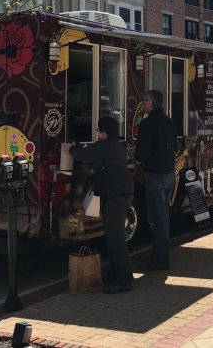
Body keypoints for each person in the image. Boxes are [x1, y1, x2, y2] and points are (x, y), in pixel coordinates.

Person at [65, 117, 134, 294]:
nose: (97, 134)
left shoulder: (106, 146)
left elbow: (85, 154)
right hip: (121, 193)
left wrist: (70, 149)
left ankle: (125, 280)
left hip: (116, 195)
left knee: (116, 238)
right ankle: (114, 273)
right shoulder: (116, 144)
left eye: (98, 131)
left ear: (104, 131)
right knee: (112, 236)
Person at [134, 90, 177, 271]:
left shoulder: (147, 124)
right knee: (163, 217)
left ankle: (160, 259)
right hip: (169, 173)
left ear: (151, 103)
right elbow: (173, 147)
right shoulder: (169, 122)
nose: (143, 105)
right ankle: (159, 254)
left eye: (144, 101)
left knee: (157, 219)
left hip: (156, 175)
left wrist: (137, 159)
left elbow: (141, 153)